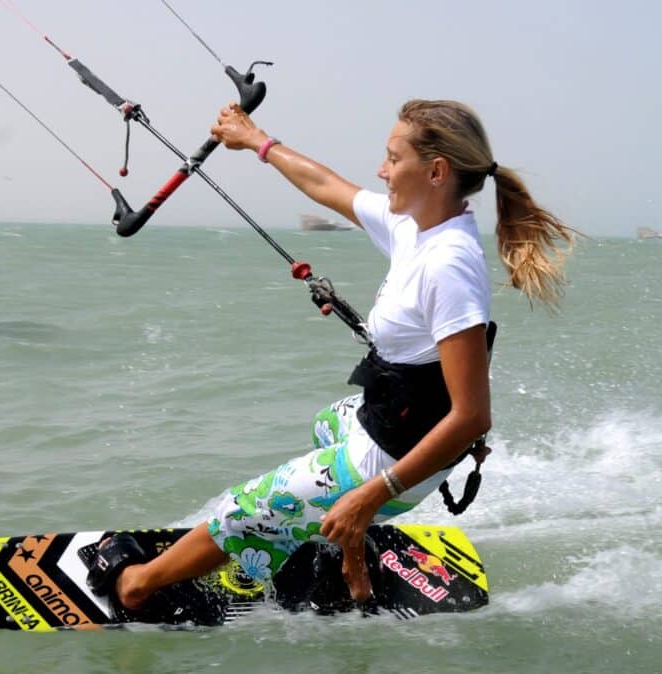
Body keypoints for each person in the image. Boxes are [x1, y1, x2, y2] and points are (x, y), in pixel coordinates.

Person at [88, 98, 575, 609]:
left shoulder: (448, 265)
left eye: (392, 158)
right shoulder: (414, 228)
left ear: (435, 171)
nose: (381, 170)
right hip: (387, 425)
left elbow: (472, 414)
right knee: (327, 423)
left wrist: (369, 496)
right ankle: (346, 553)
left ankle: (136, 586)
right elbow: (327, 186)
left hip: (394, 459)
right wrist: (256, 140)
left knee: (239, 511)